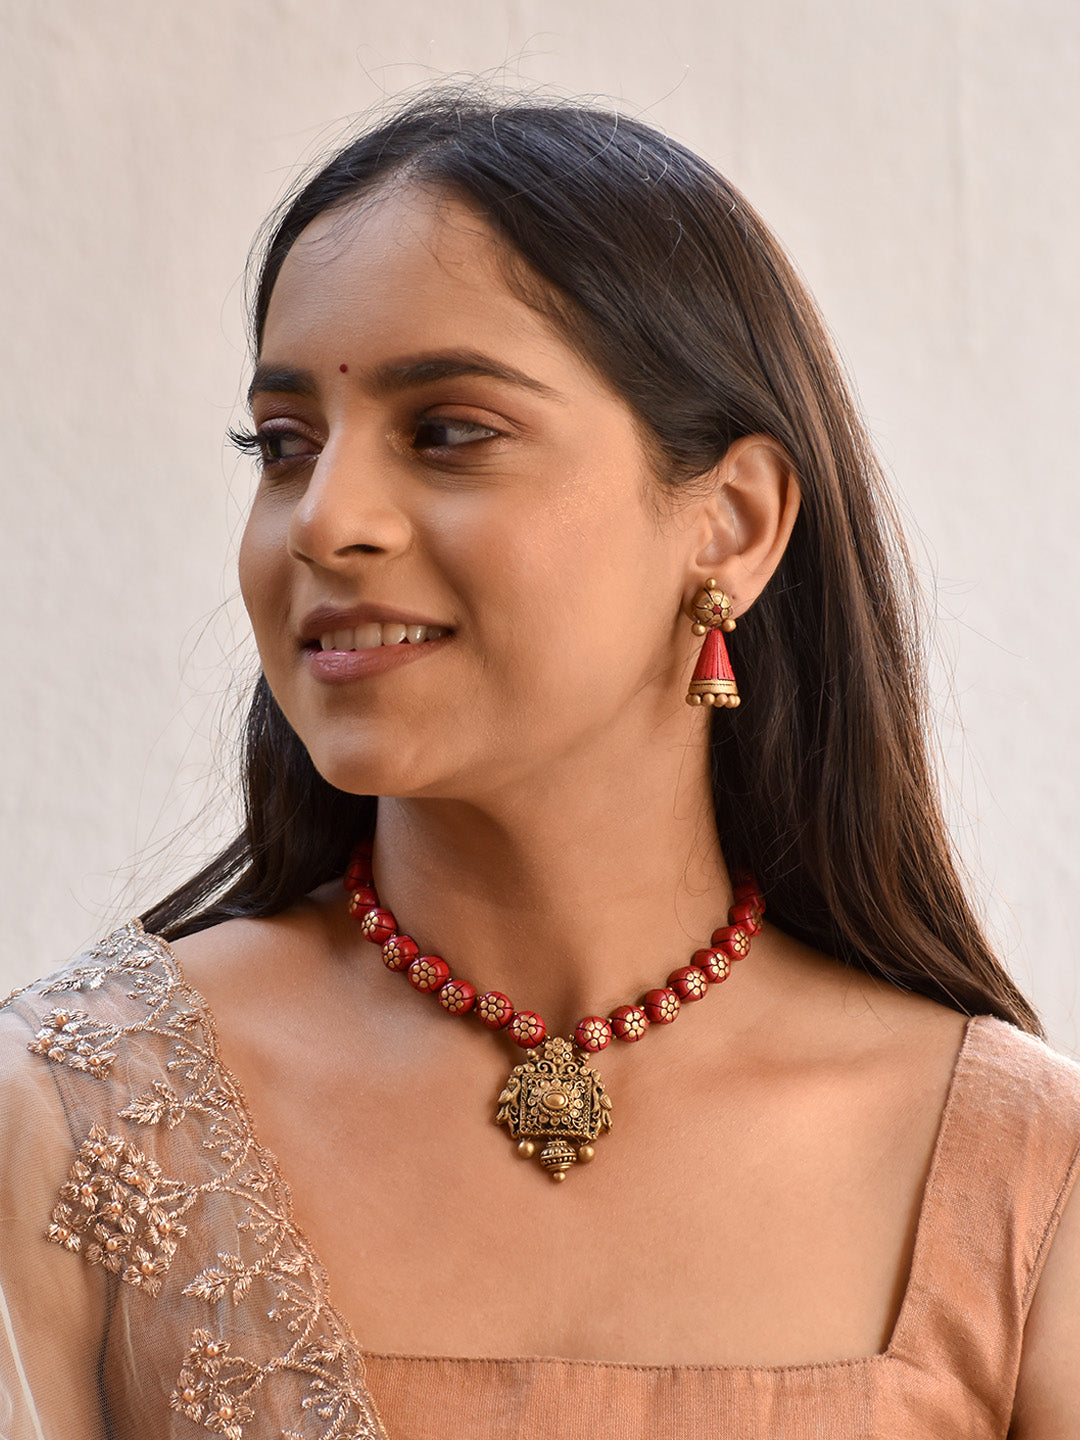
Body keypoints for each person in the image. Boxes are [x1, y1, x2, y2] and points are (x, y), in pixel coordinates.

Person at [1, 88, 1077, 1440]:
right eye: (285, 446)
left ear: (732, 523)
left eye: (447, 431)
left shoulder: (1018, 1175)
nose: (325, 520)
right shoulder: (71, 1119)